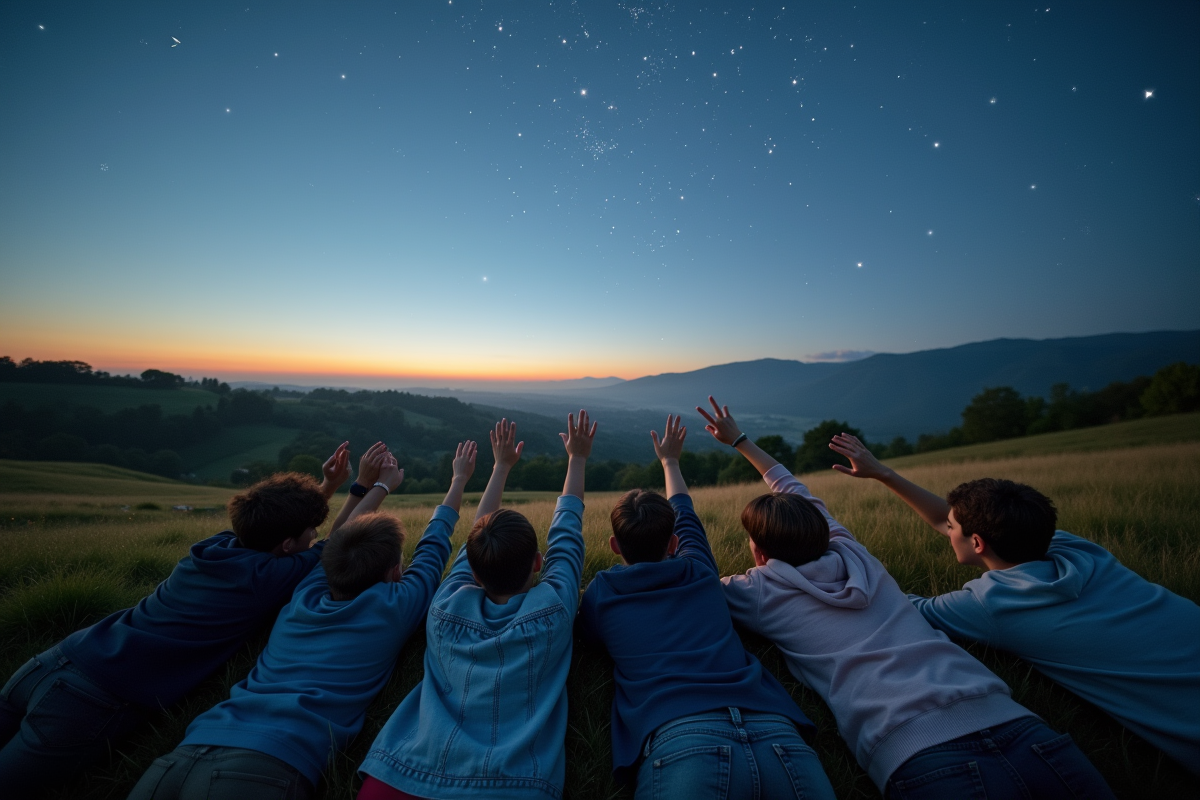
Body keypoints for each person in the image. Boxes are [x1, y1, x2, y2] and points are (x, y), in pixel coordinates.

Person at [698, 397, 1117, 800]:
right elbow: (791, 487)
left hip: (915, 749)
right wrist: (739, 440)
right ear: (821, 530)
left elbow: (685, 589)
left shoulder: (755, 591)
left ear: (758, 550)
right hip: (1018, 724)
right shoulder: (852, 551)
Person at [0, 440, 371, 796]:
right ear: (288, 546)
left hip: (50, 662)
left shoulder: (214, 547)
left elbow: (283, 529)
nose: (315, 535)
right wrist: (368, 485)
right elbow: (337, 543)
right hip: (90, 696)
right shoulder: (265, 580)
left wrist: (328, 485)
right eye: (311, 531)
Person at [827, 430, 1200, 775]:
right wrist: (883, 474)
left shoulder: (992, 605)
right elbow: (950, 520)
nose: (945, 528)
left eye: (953, 528)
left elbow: (895, 605)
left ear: (977, 544)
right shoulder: (1075, 549)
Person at [126, 441, 473, 800]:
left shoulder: (303, 594)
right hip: (264, 765)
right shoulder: (397, 604)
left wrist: (374, 486)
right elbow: (434, 546)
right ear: (394, 572)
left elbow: (337, 541)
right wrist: (459, 479)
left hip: (185, 752)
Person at [579, 414, 835, 800]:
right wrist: (670, 461)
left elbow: (589, 639)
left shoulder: (603, 592)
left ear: (615, 546)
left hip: (681, 738)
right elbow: (684, 511)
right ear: (674, 543)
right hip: (777, 730)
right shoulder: (699, 569)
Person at [356, 414, 594, 800]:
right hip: (509, 785)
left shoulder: (445, 605)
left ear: (475, 574)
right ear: (538, 563)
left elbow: (474, 540)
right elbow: (567, 534)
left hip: (400, 778)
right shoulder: (555, 610)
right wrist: (577, 459)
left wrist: (500, 467)